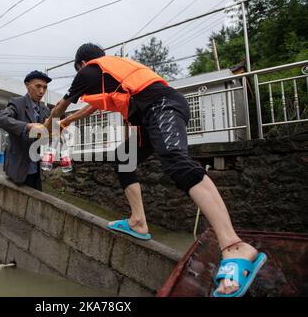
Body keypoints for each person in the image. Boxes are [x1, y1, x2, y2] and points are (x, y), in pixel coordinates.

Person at [41, 43, 267, 297]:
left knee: (177, 163)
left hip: (163, 107)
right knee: (123, 158)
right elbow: (93, 106)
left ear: (82, 64)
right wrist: (71, 120)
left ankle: (234, 246)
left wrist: (50, 125)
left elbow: (60, 106)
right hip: (151, 116)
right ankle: (138, 221)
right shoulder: (107, 72)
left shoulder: (88, 71)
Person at [0, 70, 51, 191]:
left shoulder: (45, 110)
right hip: (18, 167)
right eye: (38, 86)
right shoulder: (17, 103)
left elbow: (49, 136)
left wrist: (58, 129)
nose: (42, 91)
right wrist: (27, 127)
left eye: (45, 88)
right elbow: (0, 118)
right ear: (27, 85)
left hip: (36, 168)